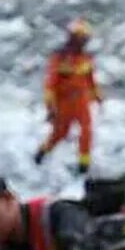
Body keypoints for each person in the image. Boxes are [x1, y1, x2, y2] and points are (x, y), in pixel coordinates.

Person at [35, 19, 101, 174]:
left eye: (85, 38)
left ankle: (84, 162)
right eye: (80, 38)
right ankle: (43, 151)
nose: (83, 42)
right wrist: (50, 108)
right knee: (60, 133)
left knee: (87, 130)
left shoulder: (86, 58)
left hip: (82, 100)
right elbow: (50, 85)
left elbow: (90, 79)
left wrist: (97, 96)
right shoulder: (58, 58)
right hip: (64, 102)